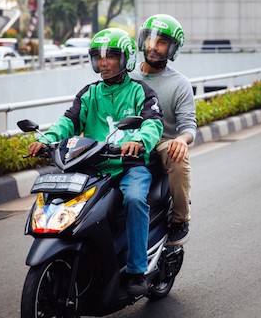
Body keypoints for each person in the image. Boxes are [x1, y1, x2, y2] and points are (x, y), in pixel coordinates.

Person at [28, 28, 163, 297]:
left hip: (129, 167)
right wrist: (48, 139)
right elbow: (68, 122)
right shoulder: (89, 94)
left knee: (135, 199)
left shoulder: (140, 92)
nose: (104, 62)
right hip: (92, 167)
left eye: (111, 56)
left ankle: (137, 270)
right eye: (98, 56)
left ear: (125, 59)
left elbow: (153, 124)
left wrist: (138, 141)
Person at [131, 14, 197, 247]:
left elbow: (189, 126)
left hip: (161, 142)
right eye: (150, 40)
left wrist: (181, 139)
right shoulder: (126, 76)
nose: (153, 47)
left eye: (161, 42)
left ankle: (180, 218)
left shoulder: (180, 84)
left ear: (172, 49)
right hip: (126, 140)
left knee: (176, 155)